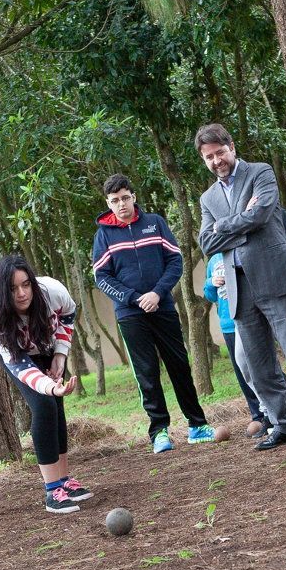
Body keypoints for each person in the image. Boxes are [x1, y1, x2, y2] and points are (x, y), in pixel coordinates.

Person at [195, 123, 286, 451]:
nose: (217, 161)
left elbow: (261, 214)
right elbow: (206, 241)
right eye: (209, 157)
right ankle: (283, 424)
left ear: (232, 147)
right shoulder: (208, 197)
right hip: (239, 289)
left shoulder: (260, 172)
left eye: (220, 152)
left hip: (276, 278)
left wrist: (226, 226)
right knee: (257, 365)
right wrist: (241, 219)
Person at [92, 174, 214, 454]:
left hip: (163, 307)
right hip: (130, 314)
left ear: (133, 197)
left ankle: (197, 425)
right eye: (114, 201)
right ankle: (159, 431)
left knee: (179, 365)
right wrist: (134, 298)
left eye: (125, 197)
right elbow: (103, 277)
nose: (121, 204)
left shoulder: (155, 223)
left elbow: (174, 260)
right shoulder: (104, 235)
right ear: (108, 204)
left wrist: (158, 293)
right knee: (146, 371)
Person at [0, 255, 91, 514]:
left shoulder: (53, 292)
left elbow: (68, 315)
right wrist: (51, 386)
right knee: (44, 406)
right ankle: (52, 490)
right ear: (2, 292)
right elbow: (23, 369)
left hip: (48, 347)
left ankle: (65, 481)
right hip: (21, 359)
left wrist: (60, 354)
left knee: (57, 409)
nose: (22, 293)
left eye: (26, 285)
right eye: (13, 289)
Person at [201, 252, 286, 437]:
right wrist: (211, 282)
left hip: (247, 317)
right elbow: (210, 296)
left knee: (257, 365)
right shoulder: (213, 260)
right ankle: (263, 412)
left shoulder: (240, 252)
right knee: (244, 370)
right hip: (227, 323)